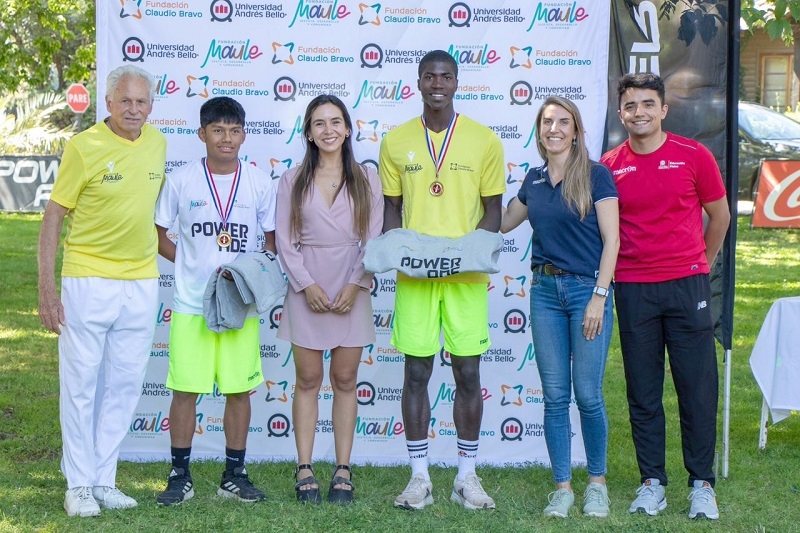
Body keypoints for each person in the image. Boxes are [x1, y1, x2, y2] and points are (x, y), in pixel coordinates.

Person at [37, 65, 167, 517]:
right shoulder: (83, 146)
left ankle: (103, 479)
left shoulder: (157, 143)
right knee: (80, 385)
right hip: (87, 279)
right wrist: (47, 288)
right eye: (125, 101)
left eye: (142, 102)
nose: (134, 109)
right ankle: (78, 486)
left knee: (125, 385)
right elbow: (53, 215)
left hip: (141, 281)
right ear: (108, 103)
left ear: (151, 105)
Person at [378, 50, 506, 510]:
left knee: (468, 372)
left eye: (445, 76)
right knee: (416, 371)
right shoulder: (394, 141)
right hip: (416, 276)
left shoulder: (484, 140)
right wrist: (402, 252)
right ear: (417, 81)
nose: (437, 83)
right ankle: (419, 477)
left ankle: (467, 477)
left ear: (456, 82)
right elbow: (391, 208)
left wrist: (467, 253)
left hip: (465, 276)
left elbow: (494, 208)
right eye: (429, 75)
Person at [600, 73, 730, 520]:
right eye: (631, 106)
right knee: (643, 390)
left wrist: (700, 263)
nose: (640, 113)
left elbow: (720, 215)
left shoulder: (694, 155)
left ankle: (701, 484)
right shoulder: (609, 165)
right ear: (621, 114)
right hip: (634, 289)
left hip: (687, 286)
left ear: (663, 109)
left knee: (697, 387)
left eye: (648, 104)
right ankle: (651, 482)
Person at [153, 97, 276, 506]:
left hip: (239, 305)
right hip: (191, 304)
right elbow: (160, 235)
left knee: (239, 390)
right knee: (186, 390)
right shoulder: (181, 180)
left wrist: (245, 277)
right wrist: (190, 264)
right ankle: (179, 474)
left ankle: (233, 474)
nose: (226, 138)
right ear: (202, 134)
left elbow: (271, 242)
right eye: (217, 130)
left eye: (234, 130)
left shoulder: (259, 182)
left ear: (244, 134)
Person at [501, 96, 619, 518]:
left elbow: (613, 242)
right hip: (545, 294)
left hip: (588, 293)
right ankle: (563, 488)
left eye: (562, 122)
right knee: (554, 397)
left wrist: (599, 297)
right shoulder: (533, 181)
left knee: (587, 395)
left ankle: (598, 484)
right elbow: (501, 222)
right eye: (547, 121)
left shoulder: (597, 175)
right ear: (539, 130)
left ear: (576, 130)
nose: (554, 128)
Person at [276, 94, 383, 505]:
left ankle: (342, 468)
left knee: (344, 379)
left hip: (352, 284)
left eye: (335, 121)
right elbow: (285, 241)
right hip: (308, 286)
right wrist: (306, 286)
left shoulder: (366, 178)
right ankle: (304, 468)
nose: (328, 130)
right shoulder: (292, 179)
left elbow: (373, 239)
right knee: (307, 380)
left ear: (348, 129)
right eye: (319, 123)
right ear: (308, 132)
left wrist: (356, 284)